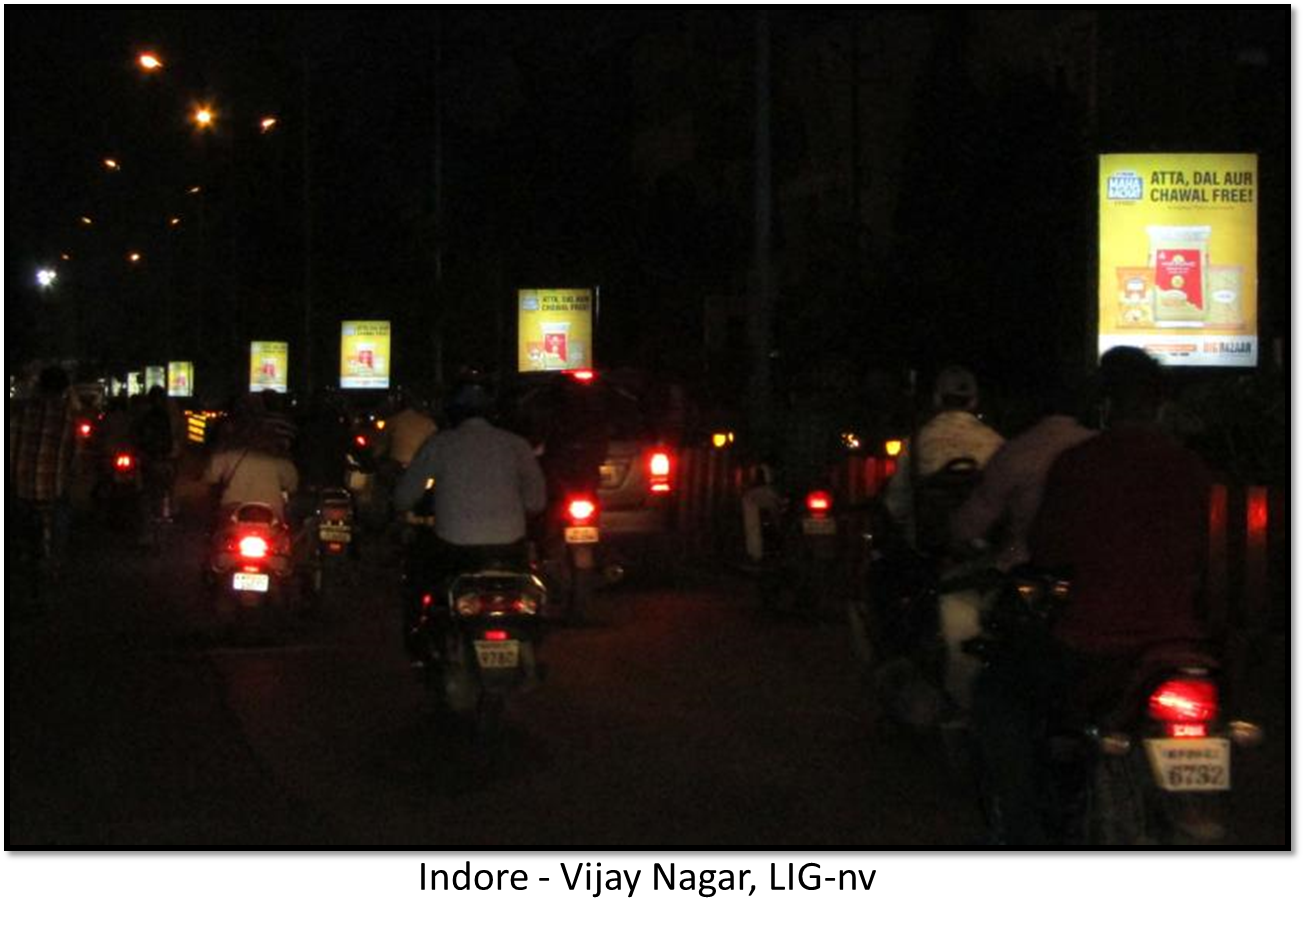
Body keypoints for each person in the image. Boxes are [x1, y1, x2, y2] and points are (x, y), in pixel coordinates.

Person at [971, 346, 1214, 843]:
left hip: (1091, 644)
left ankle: (1021, 831)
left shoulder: (1080, 464)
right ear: (1160, 404)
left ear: (1103, 403)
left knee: (996, 694)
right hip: (1177, 644)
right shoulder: (1190, 469)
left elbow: (1047, 546)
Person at [393, 379, 547, 664]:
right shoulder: (516, 445)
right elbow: (537, 501)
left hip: (454, 549)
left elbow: (404, 497)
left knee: (419, 583)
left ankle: (419, 648)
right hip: (509, 548)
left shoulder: (440, 444)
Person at [878, 366, 1004, 712]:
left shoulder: (919, 441)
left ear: (937, 399)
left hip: (929, 553)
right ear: (974, 400)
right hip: (985, 557)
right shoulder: (996, 442)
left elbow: (897, 503)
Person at [950, 380, 1097, 572]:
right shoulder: (1098, 445)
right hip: (1090, 565)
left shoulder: (1016, 451)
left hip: (1026, 566)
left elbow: (969, 526)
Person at [10, 366, 80, 570]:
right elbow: (74, 455)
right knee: (63, 508)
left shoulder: (21, 411)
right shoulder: (67, 416)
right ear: (64, 390)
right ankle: (57, 557)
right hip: (52, 487)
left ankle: (22, 550)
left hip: (21, 485)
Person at [133, 385, 178, 534]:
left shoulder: (146, 416)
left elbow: (139, 439)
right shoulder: (167, 416)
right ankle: (165, 521)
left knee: (147, 495)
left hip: (151, 461)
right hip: (164, 460)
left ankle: (148, 531)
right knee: (165, 491)